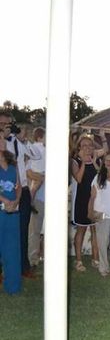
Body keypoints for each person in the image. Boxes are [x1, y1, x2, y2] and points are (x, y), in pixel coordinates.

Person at [2, 112, 43, 278]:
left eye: (7, 124)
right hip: (4, 190)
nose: (5, 126)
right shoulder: (3, 143)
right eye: (2, 123)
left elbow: (36, 155)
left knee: (22, 230)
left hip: (23, 190)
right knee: (3, 230)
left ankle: (23, 267)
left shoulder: (17, 141)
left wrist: (23, 139)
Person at [70, 134, 107, 272]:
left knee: (96, 230)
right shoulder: (74, 161)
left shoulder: (95, 160)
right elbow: (79, 178)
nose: (87, 148)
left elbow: (100, 177)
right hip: (81, 200)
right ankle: (79, 261)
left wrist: (95, 161)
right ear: (79, 147)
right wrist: (84, 163)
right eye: (84, 146)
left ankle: (95, 259)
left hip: (95, 200)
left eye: (90, 146)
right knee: (81, 229)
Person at [0, 147, 21, 294]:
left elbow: (19, 185)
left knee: (12, 249)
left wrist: (16, 201)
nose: (2, 141)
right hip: (2, 207)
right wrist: (4, 200)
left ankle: (12, 286)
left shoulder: (13, 163)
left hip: (12, 211)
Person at [27, 127, 46, 267]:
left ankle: (40, 256)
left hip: (47, 197)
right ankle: (33, 258)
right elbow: (27, 171)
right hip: (39, 197)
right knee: (35, 230)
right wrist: (41, 177)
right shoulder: (38, 150)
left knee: (39, 230)